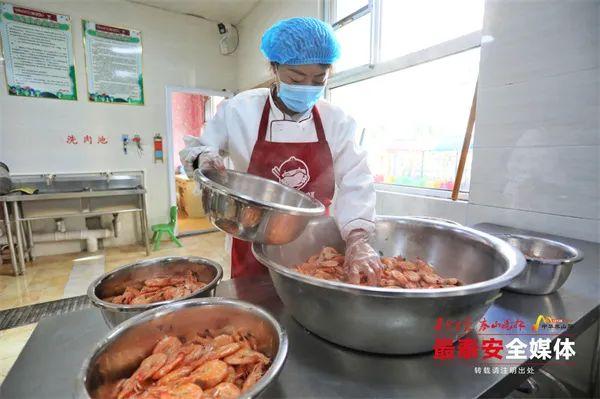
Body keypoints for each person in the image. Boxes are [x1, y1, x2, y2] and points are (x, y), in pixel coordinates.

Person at [180, 17, 382, 284]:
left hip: (313, 245)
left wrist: (357, 238)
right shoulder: (240, 110)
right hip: (251, 237)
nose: (307, 88)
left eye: (318, 79)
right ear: (274, 68)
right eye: (296, 78)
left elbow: (356, 180)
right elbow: (198, 150)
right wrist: (204, 158)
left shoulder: (336, 121)